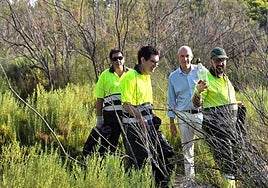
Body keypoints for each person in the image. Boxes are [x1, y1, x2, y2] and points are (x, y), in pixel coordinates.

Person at [120, 45, 173, 187]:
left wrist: (153, 117)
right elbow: (126, 104)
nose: (156, 65)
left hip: (149, 127)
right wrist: (139, 117)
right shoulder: (129, 77)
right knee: (137, 163)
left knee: (161, 157)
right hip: (133, 128)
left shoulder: (147, 76)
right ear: (142, 60)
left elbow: (147, 103)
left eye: (157, 62)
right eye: (153, 62)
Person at [192, 47, 239, 187]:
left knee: (234, 161)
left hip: (230, 129)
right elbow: (196, 103)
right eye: (218, 60)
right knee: (226, 162)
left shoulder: (225, 78)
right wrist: (198, 93)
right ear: (211, 61)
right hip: (216, 130)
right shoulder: (206, 79)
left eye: (223, 60)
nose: (221, 63)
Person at [82, 49, 129, 157]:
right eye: (115, 59)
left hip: (127, 115)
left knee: (130, 145)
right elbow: (99, 99)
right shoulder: (105, 75)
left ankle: (130, 167)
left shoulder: (131, 74)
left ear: (124, 59)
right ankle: (107, 168)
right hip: (111, 117)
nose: (118, 61)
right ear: (111, 61)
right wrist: (99, 119)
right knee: (109, 146)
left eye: (120, 58)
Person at [167, 45, 203, 178]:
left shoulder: (200, 71)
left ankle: (214, 173)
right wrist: (172, 123)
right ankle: (190, 179)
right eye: (182, 56)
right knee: (187, 149)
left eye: (187, 56)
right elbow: (171, 101)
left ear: (192, 57)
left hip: (200, 114)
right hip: (183, 116)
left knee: (209, 141)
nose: (185, 59)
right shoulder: (173, 77)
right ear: (178, 57)